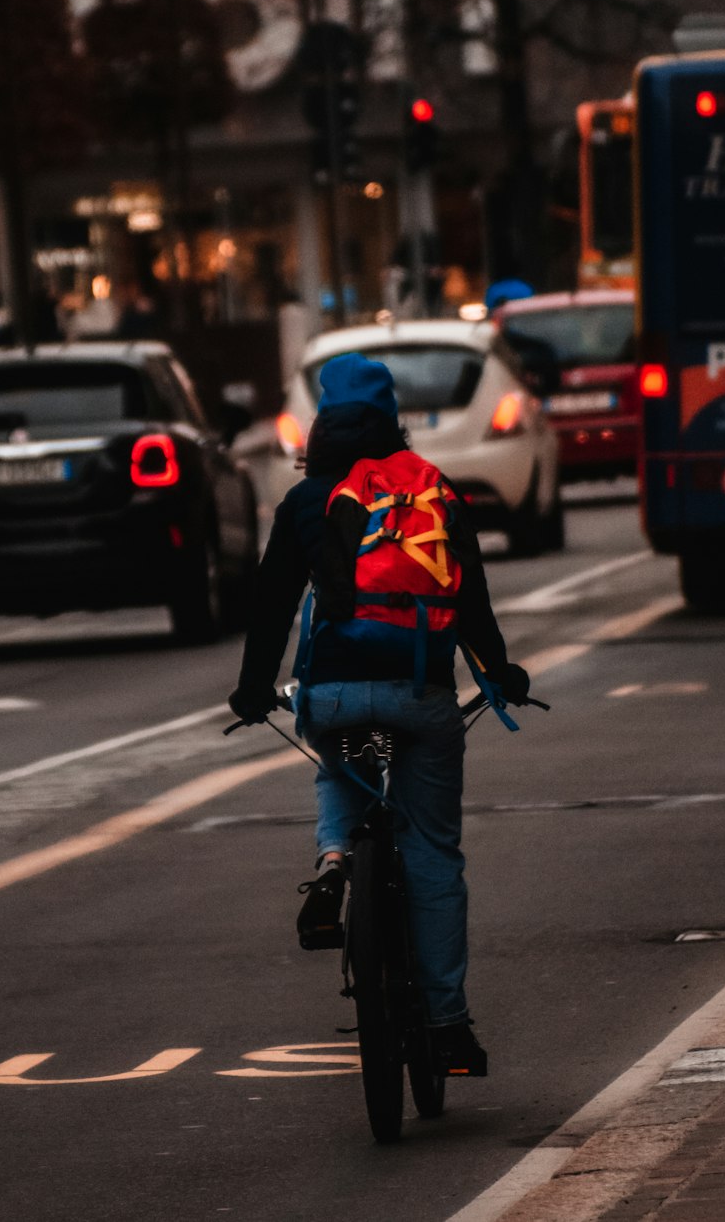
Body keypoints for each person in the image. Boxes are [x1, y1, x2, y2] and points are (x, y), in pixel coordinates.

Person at [229, 352, 530, 1077]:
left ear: (322, 423)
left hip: (331, 693)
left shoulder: (306, 500)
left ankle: (334, 860)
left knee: (334, 750)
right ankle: (449, 1028)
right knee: (431, 853)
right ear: (391, 417)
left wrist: (251, 687)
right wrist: (500, 673)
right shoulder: (429, 491)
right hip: (420, 690)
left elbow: (272, 603)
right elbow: (468, 600)